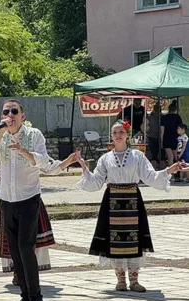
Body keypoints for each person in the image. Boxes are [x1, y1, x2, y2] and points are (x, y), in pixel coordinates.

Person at [77, 121, 184, 292]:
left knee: (135, 238)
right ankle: (120, 280)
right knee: (115, 239)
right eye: (114, 133)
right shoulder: (105, 159)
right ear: (111, 137)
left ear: (127, 135)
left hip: (132, 198)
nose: (118, 135)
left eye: (121, 132)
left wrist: (169, 170)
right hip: (112, 201)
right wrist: (84, 168)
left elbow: (150, 176)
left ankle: (134, 280)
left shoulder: (137, 156)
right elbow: (96, 182)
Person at [0, 152, 79, 285]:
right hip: (9, 200)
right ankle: (18, 272)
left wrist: (67, 160)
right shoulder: (3, 150)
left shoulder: (32, 147)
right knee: (13, 240)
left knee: (28, 240)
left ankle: (28, 275)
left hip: (29, 200)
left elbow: (49, 168)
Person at [0, 99, 50, 301]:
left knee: (25, 247)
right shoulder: (0, 137)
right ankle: (24, 296)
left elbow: (43, 160)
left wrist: (22, 151)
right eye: (6, 112)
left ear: (22, 115)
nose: (9, 115)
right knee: (14, 251)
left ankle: (36, 296)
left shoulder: (34, 135)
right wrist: (0, 134)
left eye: (14, 111)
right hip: (7, 200)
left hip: (28, 198)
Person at [160, 101, 183, 167]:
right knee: (176, 157)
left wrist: (161, 141)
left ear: (168, 109)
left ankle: (171, 174)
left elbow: (162, 131)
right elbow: (181, 129)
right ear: (175, 110)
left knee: (170, 157)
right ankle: (179, 172)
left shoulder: (164, 118)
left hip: (166, 139)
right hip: (176, 138)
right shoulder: (178, 117)